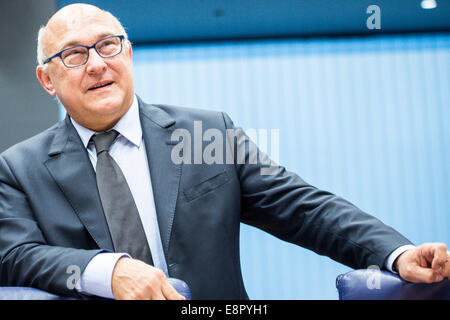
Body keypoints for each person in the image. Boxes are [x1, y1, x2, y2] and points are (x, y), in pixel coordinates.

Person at [0, 3, 448, 300]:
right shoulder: (20, 167)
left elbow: (305, 208)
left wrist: (396, 253)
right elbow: (13, 255)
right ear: (46, 80)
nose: (97, 63)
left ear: (129, 54)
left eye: (108, 45)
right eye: (74, 54)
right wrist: (106, 270)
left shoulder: (206, 133)